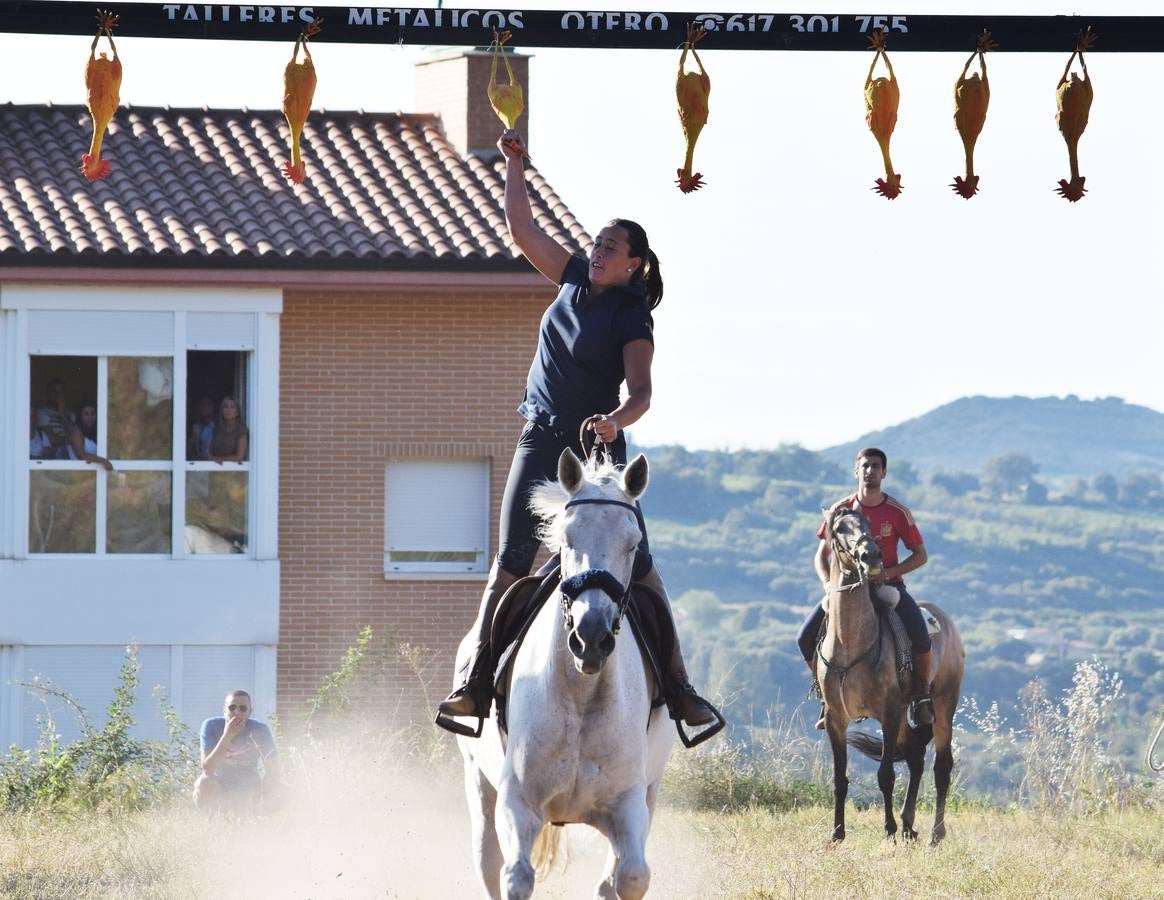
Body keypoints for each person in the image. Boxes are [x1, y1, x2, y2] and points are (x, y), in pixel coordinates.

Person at [437, 128, 717, 732]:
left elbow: (641, 394)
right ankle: (475, 683)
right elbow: (521, 229)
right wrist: (515, 165)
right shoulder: (567, 278)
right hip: (539, 439)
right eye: (597, 242)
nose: (598, 250)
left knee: (639, 565)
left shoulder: (631, 314)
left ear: (633, 263)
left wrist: (614, 422)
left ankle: (679, 687)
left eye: (611, 247)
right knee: (511, 558)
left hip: (596, 454)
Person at [797, 447, 934, 729]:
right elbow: (821, 556)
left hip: (887, 589)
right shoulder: (839, 510)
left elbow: (920, 555)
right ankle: (828, 697)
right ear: (856, 471)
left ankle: (921, 696)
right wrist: (827, 585)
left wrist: (889, 573)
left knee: (920, 635)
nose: (870, 471)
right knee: (804, 638)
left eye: (875, 466)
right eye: (865, 466)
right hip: (844, 592)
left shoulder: (898, 512)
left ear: (884, 473)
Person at [192, 690, 278, 813]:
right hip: (220, 781)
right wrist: (228, 734)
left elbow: (274, 768)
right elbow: (207, 768)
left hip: (248, 782)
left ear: (250, 712)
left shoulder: (260, 730)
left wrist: (267, 790)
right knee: (203, 783)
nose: (237, 712)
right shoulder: (211, 726)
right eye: (232, 707)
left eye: (242, 708)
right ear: (224, 710)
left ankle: (261, 822)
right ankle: (212, 823)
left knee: (275, 785)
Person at [67, 403, 113, 471]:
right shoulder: (76, 432)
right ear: (80, 416)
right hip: (77, 475)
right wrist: (104, 461)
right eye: (86, 414)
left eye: (93, 413)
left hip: (91, 475)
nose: (90, 417)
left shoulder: (94, 433)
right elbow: (81, 455)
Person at [208, 396, 248, 463]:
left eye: (232, 407)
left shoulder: (241, 430)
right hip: (215, 470)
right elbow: (210, 453)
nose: (228, 410)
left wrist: (219, 459)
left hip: (235, 471)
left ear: (237, 412)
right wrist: (212, 458)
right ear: (221, 411)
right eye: (225, 407)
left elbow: (239, 457)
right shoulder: (217, 429)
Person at [189, 395, 216, 460]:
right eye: (202, 404)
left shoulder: (217, 427)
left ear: (213, 407)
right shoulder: (196, 426)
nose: (204, 407)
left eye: (207, 404)